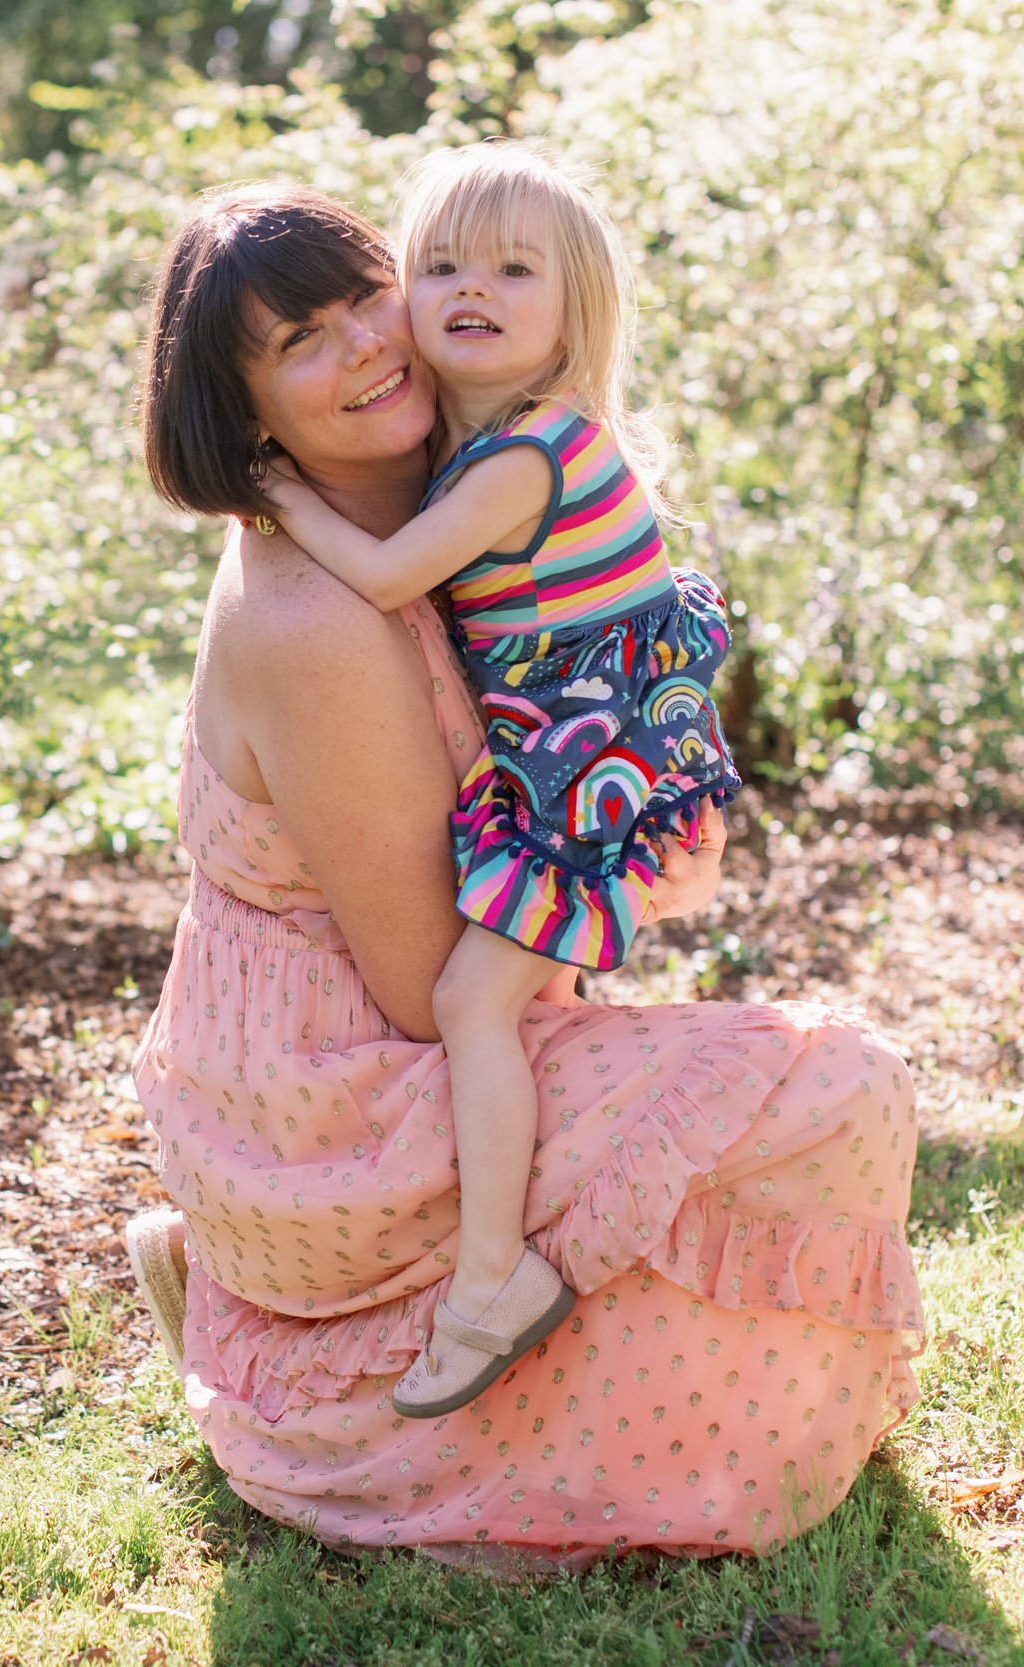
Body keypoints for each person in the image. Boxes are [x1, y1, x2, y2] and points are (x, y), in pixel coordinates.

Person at [122, 180, 924, 1569]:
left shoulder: (457, 503)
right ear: (248, 415)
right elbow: (430, 991)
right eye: (302, 339)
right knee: (834, 1086)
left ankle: (296, 1307)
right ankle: (323, 1368)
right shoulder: (321, 616)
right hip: (339, 1093)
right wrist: (593, 879)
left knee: (741, 1097)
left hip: (359, 1042)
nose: (370, 343)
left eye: (369, 294)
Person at [256, 142, 742, 1418]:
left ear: (573, 309)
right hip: (580, 750)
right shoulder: (494, 448)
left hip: (597, 759)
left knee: (474, 1000)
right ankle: (506, 1243)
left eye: (514, 269)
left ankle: (490, 1279)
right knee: (516, 992)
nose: (472, 287)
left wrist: (272, 492)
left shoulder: (528, 456)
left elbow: (385, 576)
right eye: (440, 265)